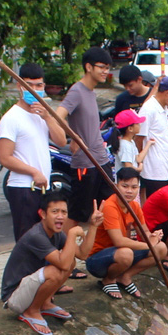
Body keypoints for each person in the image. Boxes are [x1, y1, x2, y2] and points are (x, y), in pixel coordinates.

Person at [0, 190, 100, 335]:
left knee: (70, 260)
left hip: (30, 289)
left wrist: (93, 226)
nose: (60, 216)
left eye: (64, 212)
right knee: (56, 270)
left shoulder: (57, 233)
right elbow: (63, 265)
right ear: (43, 214)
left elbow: (83, 254)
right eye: (55, 211)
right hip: (15, 297)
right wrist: (72, 234)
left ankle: (44, 304)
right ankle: (31, 311)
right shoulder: (36, 235)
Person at [0, 62, 67, 240]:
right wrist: (33, 172)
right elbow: (5, 158)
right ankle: (26, 269)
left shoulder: (42, 114)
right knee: (27, 240)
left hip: (44, 187)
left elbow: (61, 140)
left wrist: (47, 117)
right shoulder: (11, 118)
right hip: (23, 187)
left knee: (46, 237)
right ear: (20, 87)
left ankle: (44, 268)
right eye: (30, 85)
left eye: (39, 85)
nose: (35, 89)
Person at [54, 46, 116, 227]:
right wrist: (73, 137)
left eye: (108, 67)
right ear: (89, 67)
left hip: (101, 159)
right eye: (102, 67)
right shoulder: (77, 91)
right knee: (78, 214)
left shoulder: (90, 92)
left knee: (109, 206)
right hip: (85, 163)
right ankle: (65, 252)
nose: (106, 72)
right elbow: (58, 115)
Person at [87, 166, 168, 299]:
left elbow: (144, 232)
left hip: (122, 253)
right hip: (98, 259)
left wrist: (153, 237)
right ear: (116, 185)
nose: (129, 191)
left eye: (134, 187)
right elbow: (118, 241)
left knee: (161, 248)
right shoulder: (110, 206)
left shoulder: (135, 206)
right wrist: (149, 245)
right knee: (126, 253)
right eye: (125, 186)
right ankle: (108, 279)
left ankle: (125, 276)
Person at [138, 76, 168, 198]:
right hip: (153, 169)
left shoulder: (163, 108)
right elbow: (139, 138)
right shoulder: (149, 109)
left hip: (163, 167)